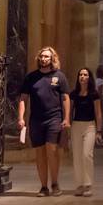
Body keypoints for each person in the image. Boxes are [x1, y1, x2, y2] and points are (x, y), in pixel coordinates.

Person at [18, 46, 70, 196]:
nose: (44, 59)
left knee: (51, 150)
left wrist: (66, 118)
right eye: (42, 57)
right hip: (36, 119)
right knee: (40, 152)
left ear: (52, 58)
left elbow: (66, 97)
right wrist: (21, 118)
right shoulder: (31, 77)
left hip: (54, 118)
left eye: (47, 57)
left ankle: (55, 183)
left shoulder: (59, 76)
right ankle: (43, 186)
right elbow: (23, 98)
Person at [69, 67, 103, 196]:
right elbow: (70, 110)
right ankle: (79, 184)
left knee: (86, 155)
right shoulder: (74, 94)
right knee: (77, 156)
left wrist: (99, 131)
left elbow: (98, 113)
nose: (82, 77)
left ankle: (88, 184)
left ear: (89, 78)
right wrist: (68, 125)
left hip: (90, 126)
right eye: (81, 74)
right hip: (76, 125)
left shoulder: (94, 94)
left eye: (85, 74)